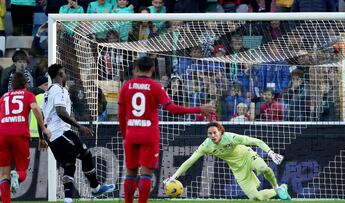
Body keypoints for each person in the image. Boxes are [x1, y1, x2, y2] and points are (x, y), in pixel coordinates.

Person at [118, 56, 215, 203]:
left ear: (136, 69)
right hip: (149, 135)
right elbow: (172, 109)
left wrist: (126, 135)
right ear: (152, 70)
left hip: (131, 134)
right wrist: (198, 109)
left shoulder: (127, 85)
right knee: (146, 175)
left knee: (130, 173)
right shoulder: (156, 87)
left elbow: (121, 113)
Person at [42, 64, 115, 203]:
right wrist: (79, 126)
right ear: (60, 75)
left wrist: (42, 136)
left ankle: (68, 199)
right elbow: (60, 112)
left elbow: (43, 113)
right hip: (61, 132)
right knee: (86, 154)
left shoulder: (48, 91)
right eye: (64, 72)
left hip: (51, 135)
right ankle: (95, 188)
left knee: (69, 164)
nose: (66, 75)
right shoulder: (59, 90)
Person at [165, 122, 291, 201]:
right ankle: (279, 190)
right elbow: (190, 161)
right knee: (255, 198)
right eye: (210, 134)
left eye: (214, 133)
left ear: (220, 132)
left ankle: (276, 186)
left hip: (247, 155)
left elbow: (256, 141)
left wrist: (270, 153)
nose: (212, 136)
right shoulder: (206, 146)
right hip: (237, 169)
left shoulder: (230, 137)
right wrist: (174, 177)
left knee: (264, 168)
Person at [0, 72, 51, 203]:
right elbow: (35, 109)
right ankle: (16, 175)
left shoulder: (3, 97)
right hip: (19, 135)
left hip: (2, 136)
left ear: (12, 85)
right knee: (21, 170)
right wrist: (43, 128)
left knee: (3, 174)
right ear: (26, 84)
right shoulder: (28, 95)